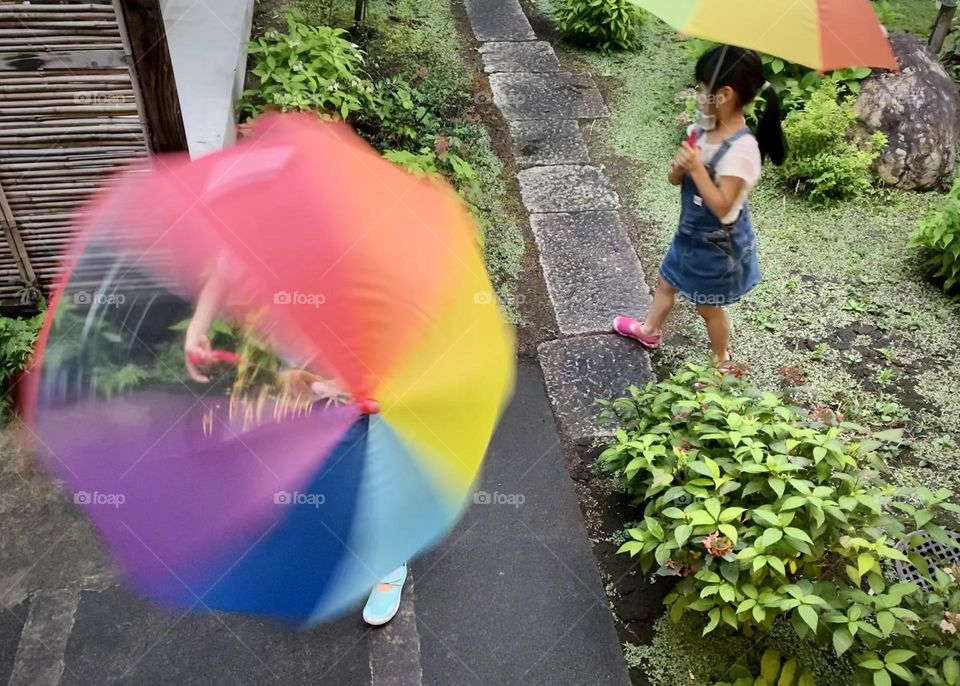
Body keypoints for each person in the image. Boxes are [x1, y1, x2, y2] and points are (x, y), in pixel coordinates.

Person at [183, 268, 408, 627]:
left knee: (359, 467)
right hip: (299, 364)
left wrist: (336, 388)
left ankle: (388, 560)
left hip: (351, 367)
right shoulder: (254, 224)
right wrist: (198, 329)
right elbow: (223, 271)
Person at [614, 45, 786, 364]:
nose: (697, 95)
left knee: (707, 307)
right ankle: (650, 329)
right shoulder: (701, 131)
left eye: (702, 89)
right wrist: (680, 168)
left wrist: (695, 168)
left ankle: (721, 360)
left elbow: (723, 207)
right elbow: (674, 179)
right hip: (690, 232)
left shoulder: (743, 151)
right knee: (667, 280)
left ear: (725, 94)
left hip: (718, 244)